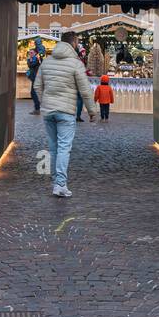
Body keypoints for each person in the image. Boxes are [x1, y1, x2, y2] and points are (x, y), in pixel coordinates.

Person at [33, 31, 97, 198]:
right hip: (66, 112)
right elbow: (85, 90)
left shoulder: (46, 62)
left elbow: (37, 87)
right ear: (74, 43)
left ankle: (56, 183)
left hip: (48, 112)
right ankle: (60, 184)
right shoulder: (76, 64)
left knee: (53, 148)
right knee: (63, 149)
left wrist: (44, 102)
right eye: (77, 42)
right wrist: (92, 112)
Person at [27, 47, 42, 115]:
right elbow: (29, 65)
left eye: (31, 53)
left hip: (36, 78)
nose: (30, 54)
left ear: (35, 53)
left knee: (34, 93)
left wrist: (30, 60)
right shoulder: (32, 59)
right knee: (33, 93)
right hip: (34, 78)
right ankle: (37, 108)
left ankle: (37, 109)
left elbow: (31, 65)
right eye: (29, 53)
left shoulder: (36, 59)